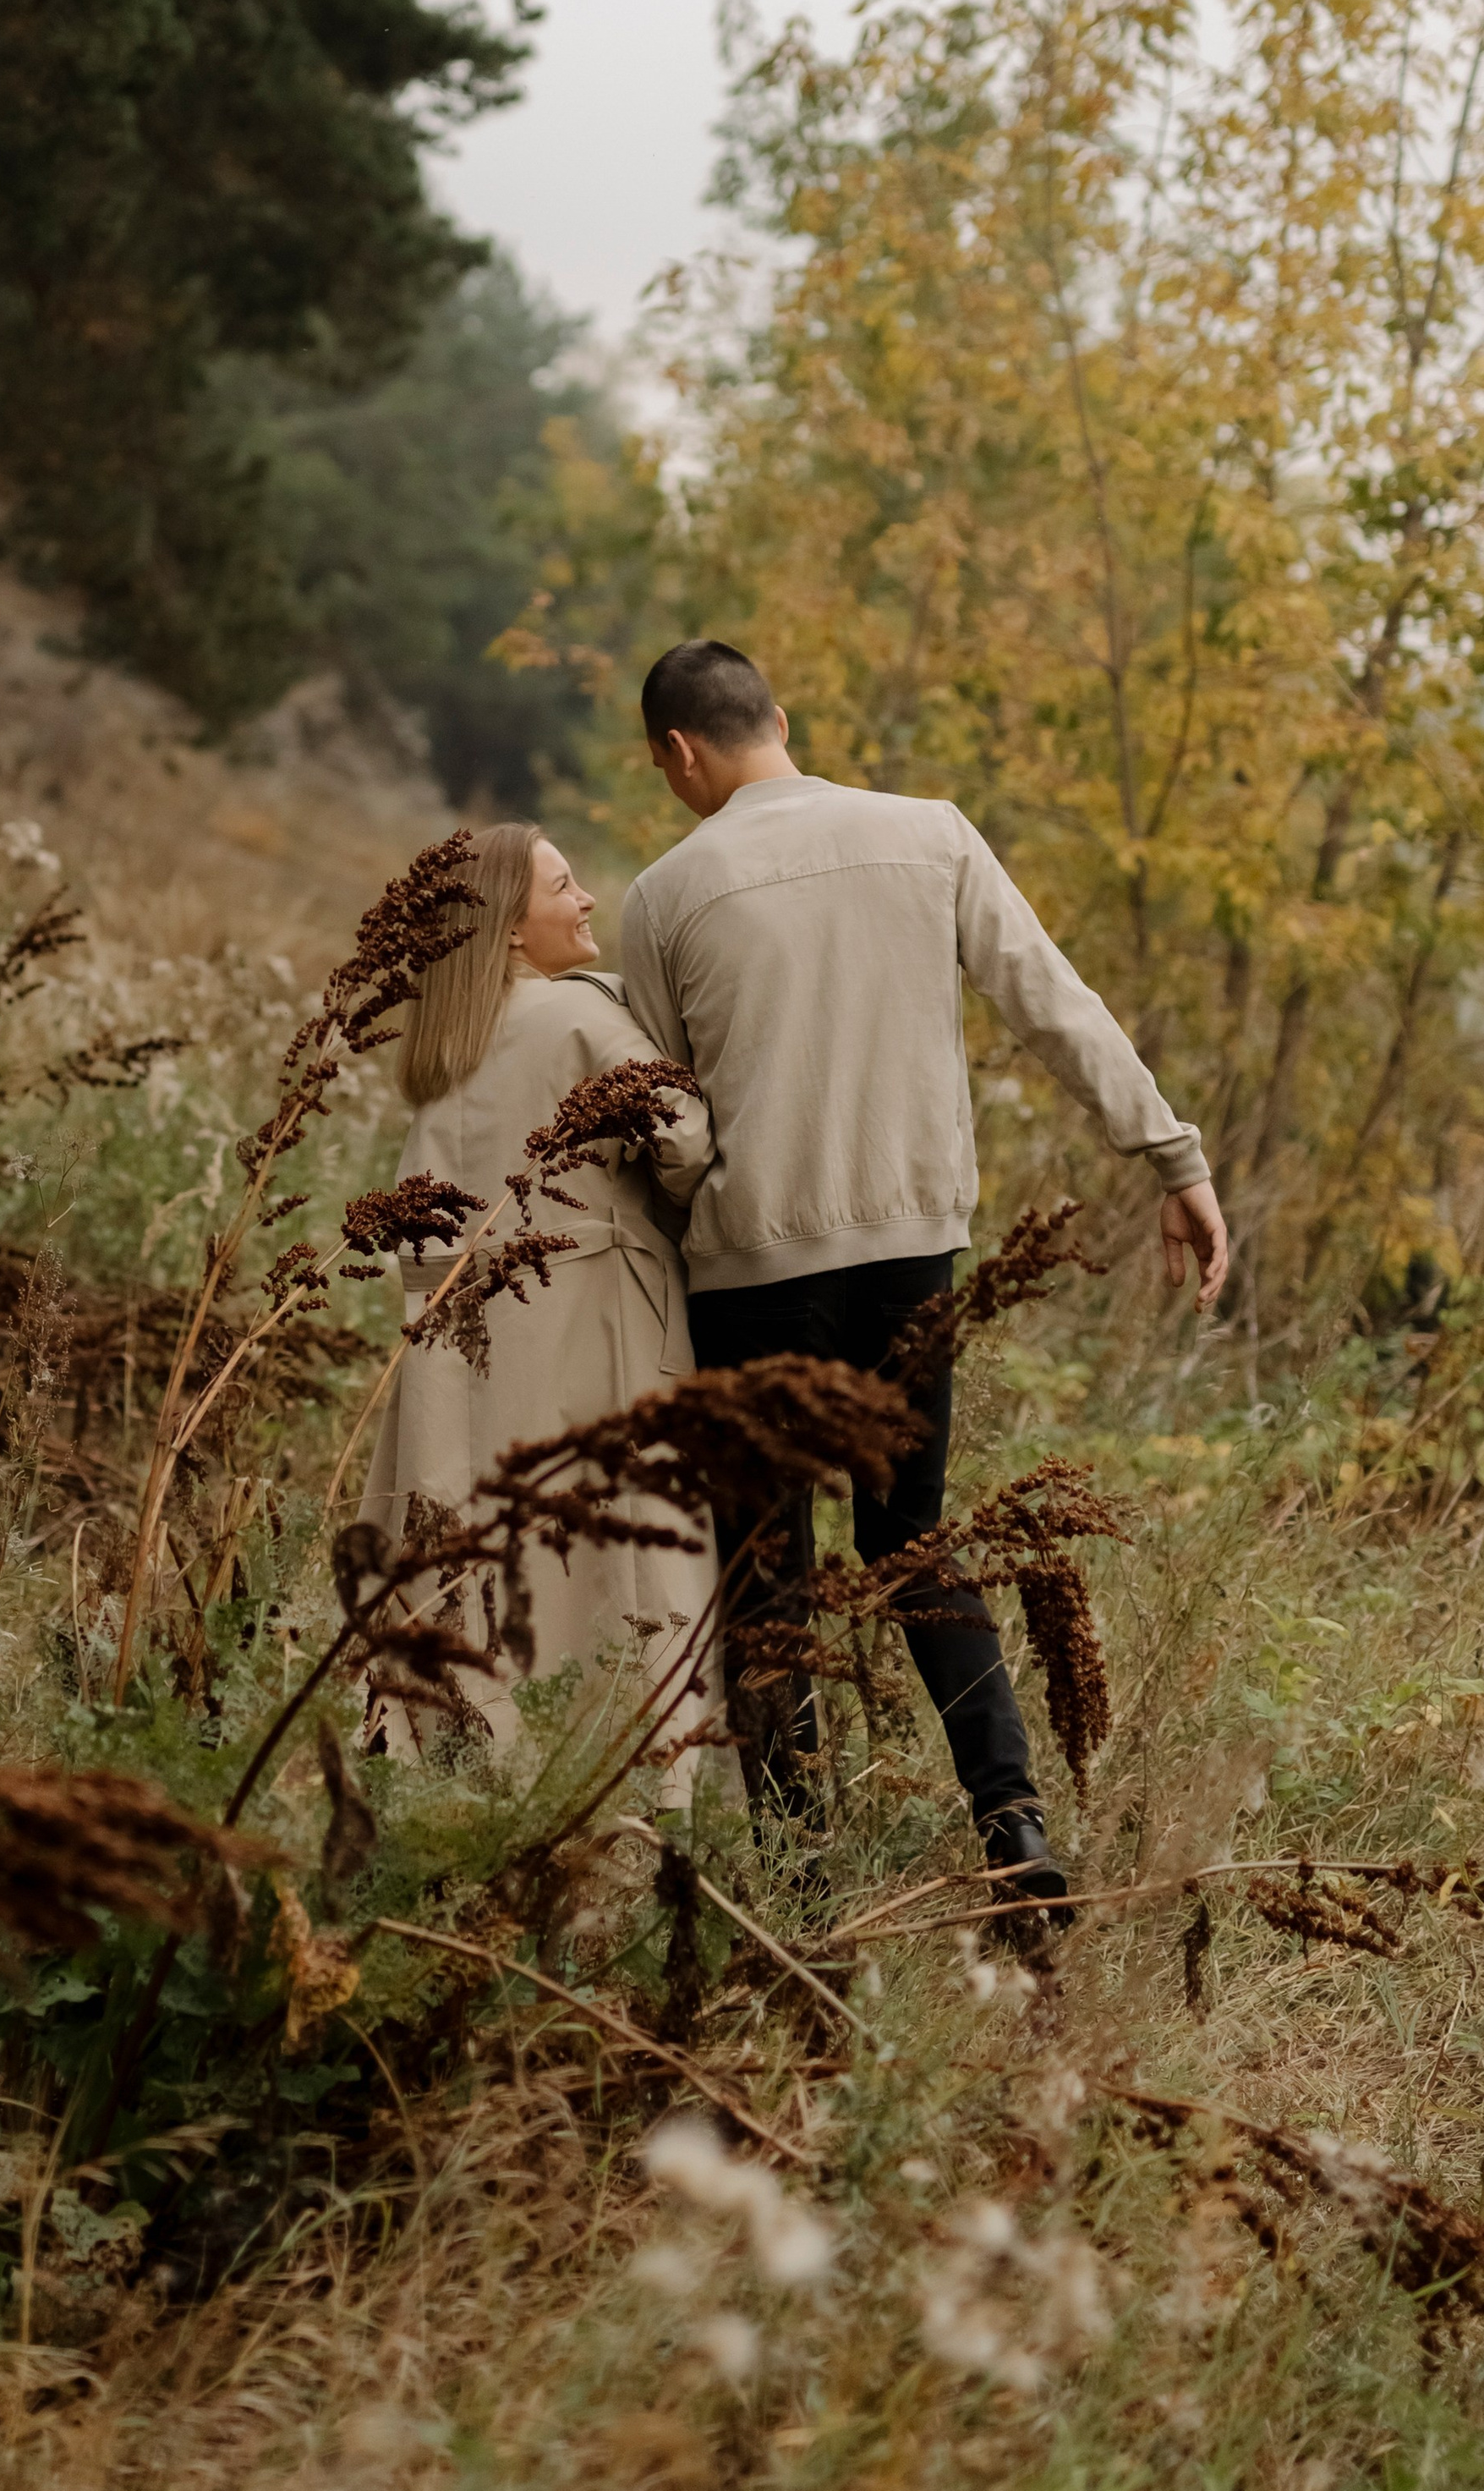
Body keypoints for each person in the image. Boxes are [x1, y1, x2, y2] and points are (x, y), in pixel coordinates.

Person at [621, 639, 1230, 1909]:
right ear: (781, 719)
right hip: (911, 1258)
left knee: (764, 1572)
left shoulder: (666, 895)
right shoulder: (931, 833)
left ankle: (804, 1883)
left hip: (750, 1274)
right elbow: (1054, 1005)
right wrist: (1172, 1157)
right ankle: (1014, 1827)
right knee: (912, 1543)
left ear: (677, 752)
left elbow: (670, 1122)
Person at [359, 821, 721, 1798]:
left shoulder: (445, 1046)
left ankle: (484, 1776)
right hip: (595, 1328)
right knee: (623, 1563)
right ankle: (639, 1793)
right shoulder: (577, 1018)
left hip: (462, 1355)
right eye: (563, 886)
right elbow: (687, 1142)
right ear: (511, 928)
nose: (587, 899)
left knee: (489, 1558)